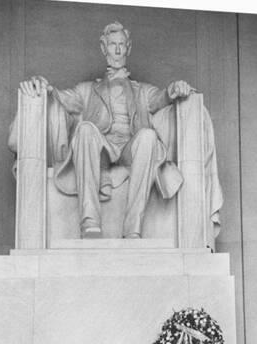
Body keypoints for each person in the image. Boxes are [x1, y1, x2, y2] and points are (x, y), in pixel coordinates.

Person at [16, 21, 199, 239]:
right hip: (101, 146)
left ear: (128, 47)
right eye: (113, 44)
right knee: (84, 129)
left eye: (122, 44)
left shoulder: (142, 91)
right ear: (104, 48)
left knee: (149, 136)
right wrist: (43, 86)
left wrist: (174, 90)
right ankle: (90, 221)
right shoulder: (86, 90)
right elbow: (62, 99)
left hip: (131, 149)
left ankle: (133, 228)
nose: (118, 50)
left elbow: (161, 98)